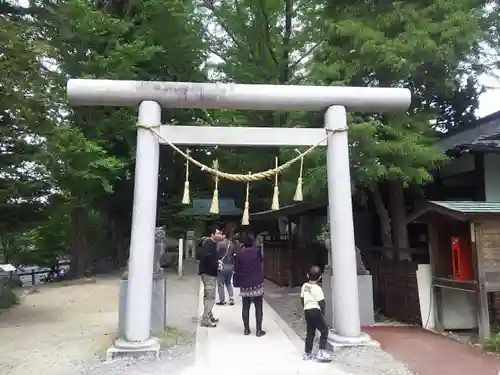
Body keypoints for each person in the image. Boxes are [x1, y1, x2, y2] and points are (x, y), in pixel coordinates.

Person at [233, 232, 266, 337]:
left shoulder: (240, 253)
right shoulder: (257, 252)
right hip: (257, 282)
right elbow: (261, 261)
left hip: (245, 282)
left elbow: (237, 268)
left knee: (245, 306)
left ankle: (246, 329)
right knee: (258, 306)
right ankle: (258, 330)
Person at [300, 265, 332, 362]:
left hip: (307, 311)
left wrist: (305, 308)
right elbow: (322, 303)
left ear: (307, 275)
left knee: (310, 333)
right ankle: (321, 352)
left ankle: (307, 353)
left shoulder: (304, 286)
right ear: (320, 277)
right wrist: (323, 314)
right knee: (324, 330)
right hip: (316, 311)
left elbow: (302, 299)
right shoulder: (317, 288)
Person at [198, 225, 223, 327]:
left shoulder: (211, 244)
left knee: (207, 295)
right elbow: (207, 258)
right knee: (210, 297)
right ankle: (205, 319)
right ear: (212, 234)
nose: (220, 235)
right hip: (209, 274)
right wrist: (217, 265)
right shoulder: (209, 244)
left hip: (207, 273)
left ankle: (209, 315)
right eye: (218, 233)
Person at [216, 230, 235, 306]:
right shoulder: (232, 244)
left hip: (222, 265)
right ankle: (231, 298)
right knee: (228, 282)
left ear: (224, 235)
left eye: (221, 234)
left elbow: (216, 253)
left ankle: (222, 300)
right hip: (230, 265)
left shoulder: (220, 244)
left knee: (220, 283)